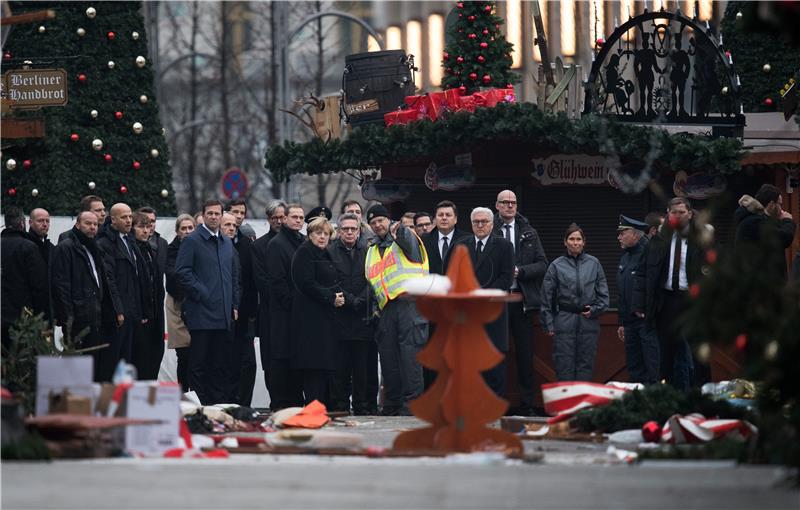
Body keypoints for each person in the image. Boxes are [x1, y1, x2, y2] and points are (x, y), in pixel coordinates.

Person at [633, 197, 705, 391]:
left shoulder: (701, 240)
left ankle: (699, 396)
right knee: (666, 353)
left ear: (690, 214)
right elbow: (642, 273)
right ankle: (667, 395)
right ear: (668, 214)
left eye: (682, 212)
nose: (678, 216)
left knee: (698, 354)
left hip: (693, 303)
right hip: (667, 301)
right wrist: (640, 304)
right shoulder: (657, 241)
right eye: (674, 212)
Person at [365, 204, 429, 415]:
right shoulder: (372, 250)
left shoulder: (404, 238)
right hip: (387, 309)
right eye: (373, 223)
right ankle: (392, 404)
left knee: (411, 358)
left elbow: (406, 239)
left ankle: (412, 406)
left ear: (389, 220)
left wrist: (398, 228)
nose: (377, 225)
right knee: (389, 358)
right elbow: (373, 284)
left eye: (381, 220)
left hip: (410, 304)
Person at [175, 199, 240, 404]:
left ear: (222, 215)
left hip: (223, 315)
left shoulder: (226, 242)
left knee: (220, 364)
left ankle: (217, 405)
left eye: (217, 213)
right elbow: (182, 272)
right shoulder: (192, 241)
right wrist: (202, 292)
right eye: (210, 213)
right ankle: (200, 406)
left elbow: (233, 276)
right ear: (203, 215)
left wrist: (234, 304)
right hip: (201, 313)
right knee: (199, 364)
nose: (214, 217)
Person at [493, 189, 548, 416]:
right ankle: (497, 404)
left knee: (525, 356)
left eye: (513, 202)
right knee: (497, 355)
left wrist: (521, 271)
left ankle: (527, 404)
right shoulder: (490, 230)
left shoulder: (528, 231)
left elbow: (543, 264)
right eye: (505, 202)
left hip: (522, 302)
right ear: (497, 205)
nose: (509, 206)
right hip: (497, 303)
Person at [50, 212, 124, 381]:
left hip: (95, 317)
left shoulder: (94, 248)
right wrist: (68, 319)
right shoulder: (66, 247)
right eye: (88, 223)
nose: (92, 227)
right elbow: (61, 286)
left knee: (93, 367)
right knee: (78, 368)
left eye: (95, 224)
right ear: (77, 225)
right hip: (78, 319)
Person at [455, 207, 514, 397]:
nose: (480, 225)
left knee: (494, 361)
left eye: (484, 221)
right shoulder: (461, 245)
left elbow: (506, 279)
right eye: (476, 222)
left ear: (492, 223)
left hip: (493, 312)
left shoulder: (504, 246)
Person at [541, 224, 609, 381]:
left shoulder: (594, 264)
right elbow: (546, 297)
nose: (575, 242)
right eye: (571, 239)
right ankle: (566, 405)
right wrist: (549, 323)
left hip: (588, 322)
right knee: (564, 366)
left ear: (584, 242)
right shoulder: (556, 265)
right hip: (564, 320)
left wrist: (595, 310)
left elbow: (604, 296)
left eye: (579, 239)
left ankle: (583, 405)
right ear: (565, 242)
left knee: (586, 365)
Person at [290, 217, 342, 405]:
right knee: (313, 367)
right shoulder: (305, 253)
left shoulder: (325, 253)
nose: (322, 237)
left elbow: (333, 280)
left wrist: (338, 295)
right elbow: (306, 283)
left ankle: (321, 407)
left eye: (326, 234)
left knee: (323, 366)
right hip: (309, 320)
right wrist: (331, 297)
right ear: (310, 235)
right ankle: (313, 406)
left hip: (324, 319)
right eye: (318, 233)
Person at [329, 213, 376, 414]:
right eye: (345, 229)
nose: (349, 232)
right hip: (339, 319)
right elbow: (331, 280)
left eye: (353, 229)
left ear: (359, 231)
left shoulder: (368, 252)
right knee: (340, 369)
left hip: (361, 320)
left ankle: (361, 406)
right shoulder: (330, 252)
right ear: (339, 231)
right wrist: (351, 300)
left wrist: (360, 300)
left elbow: (372, 279)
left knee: (361, 369)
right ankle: (340, 406)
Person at [95, 203, 146, 373]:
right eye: (124, 217)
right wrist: (118, 310)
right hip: (117, 314)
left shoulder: (130, 241)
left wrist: (141, 310)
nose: (129, 220)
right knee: (112, 361)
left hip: (131, 312)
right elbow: (110, 280)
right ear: (113, 220)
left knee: (127, 360)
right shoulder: (105, 243)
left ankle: (122, 396)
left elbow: (137, 279)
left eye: (130, 216)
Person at [265, 203, 306, 409]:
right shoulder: (277, 244)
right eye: (294, 217)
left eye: (301, 217)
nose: (299, 220)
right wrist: (294, 305)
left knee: (297, 360)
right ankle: (281, 404)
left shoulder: (303, 241)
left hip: (301, 315)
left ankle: (296, 403)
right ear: (285, 219)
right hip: (284, 313)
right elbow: (277, 281)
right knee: (281, 359)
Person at [616, 215, 659, 384]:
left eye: (622, 233)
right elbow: (622, 292)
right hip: (630, 323)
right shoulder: (625, 257)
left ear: (635, 234)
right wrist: (621, 321)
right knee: (634, 368)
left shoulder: (650, 254)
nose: (618, 237)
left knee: (652, 366)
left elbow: (655, 288)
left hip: (646, 322)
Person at [251, 199, 287, 402]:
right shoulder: (259, 246)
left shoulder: (298, 241)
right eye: (275, 218)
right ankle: (276, 401)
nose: (279, 221)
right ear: (268, 220)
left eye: (282, 217)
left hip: (292, 314)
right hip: (270, 313)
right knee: (271, 361)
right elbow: (262, 281)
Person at [1, 207, 49, 350]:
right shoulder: (29, 248)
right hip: (23, 322)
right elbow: (39, 287)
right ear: (23, 224)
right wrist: (43, 319)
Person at [226, 199, 258, 405]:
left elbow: (252, 279)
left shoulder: (247, 244)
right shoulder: (219, 242)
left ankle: (243, 404)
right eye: (234, 212)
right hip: (221, 313)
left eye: (241, 213)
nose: (238, 216)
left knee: (247, 363)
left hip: (244, 314)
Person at [734, 184, 796, 281]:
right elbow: (784, 238)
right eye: (779, 204)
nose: (781, 209)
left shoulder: (757, 220)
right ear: (771, 204)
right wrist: (787, 220)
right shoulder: (754, 222)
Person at [165, 214, 195, 391]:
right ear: (177, 231)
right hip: (177, 304)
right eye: (183, 229)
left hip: (197, 304)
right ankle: (183, 394)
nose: (187, 232)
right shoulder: (171, 250)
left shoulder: (200, 247)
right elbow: (173, 275)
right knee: (183, 354)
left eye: (190, 228)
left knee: (197, 356)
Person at [129, 212, 160, 380]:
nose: (146, 231)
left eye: (148, 227)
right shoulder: (132, 249)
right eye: (141, 227)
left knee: (150, 360)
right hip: (138, 315)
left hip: (152, 314)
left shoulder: (150, 250)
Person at [422, 200, 470, 276]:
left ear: (455, 219)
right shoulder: (424, 240)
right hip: (433, 285)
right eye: (440, 215)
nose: (444, 218)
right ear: (434, 219)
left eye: (448, 215)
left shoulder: (467, 239)